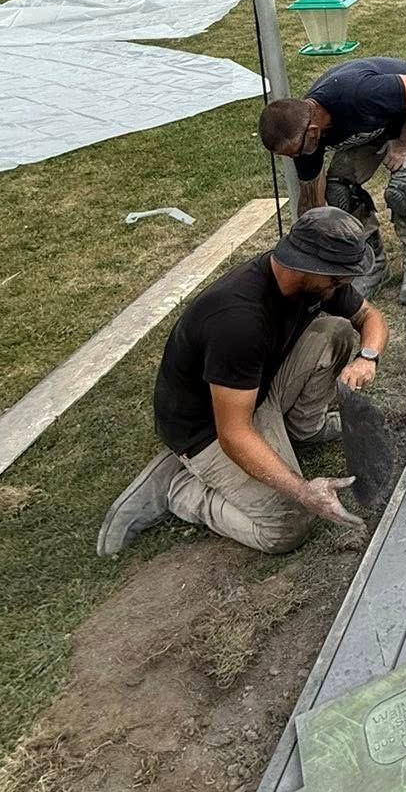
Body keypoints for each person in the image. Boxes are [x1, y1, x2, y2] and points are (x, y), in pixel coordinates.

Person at [96, 207, 389, 558]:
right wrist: (302, 491)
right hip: (207, 426)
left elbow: (369, 317)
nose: (344, 286)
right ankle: (178, 487)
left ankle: (303, 430)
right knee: (287, 526)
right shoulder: (238, 321)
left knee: (337, 332)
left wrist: (367, 356)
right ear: (310, 267)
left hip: (253, 388)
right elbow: (234, 433)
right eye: (338, 279)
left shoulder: (314, 282)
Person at [259, 58, 406, 305]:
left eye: (294, 152)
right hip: (374, 123)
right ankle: (373, 263)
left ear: (314, 131)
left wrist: (404, 145)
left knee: (403, 190)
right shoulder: (303, 139)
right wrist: (310, 256)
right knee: (338, 189)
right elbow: (313, 204)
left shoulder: (357, 94)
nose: (295, 158)